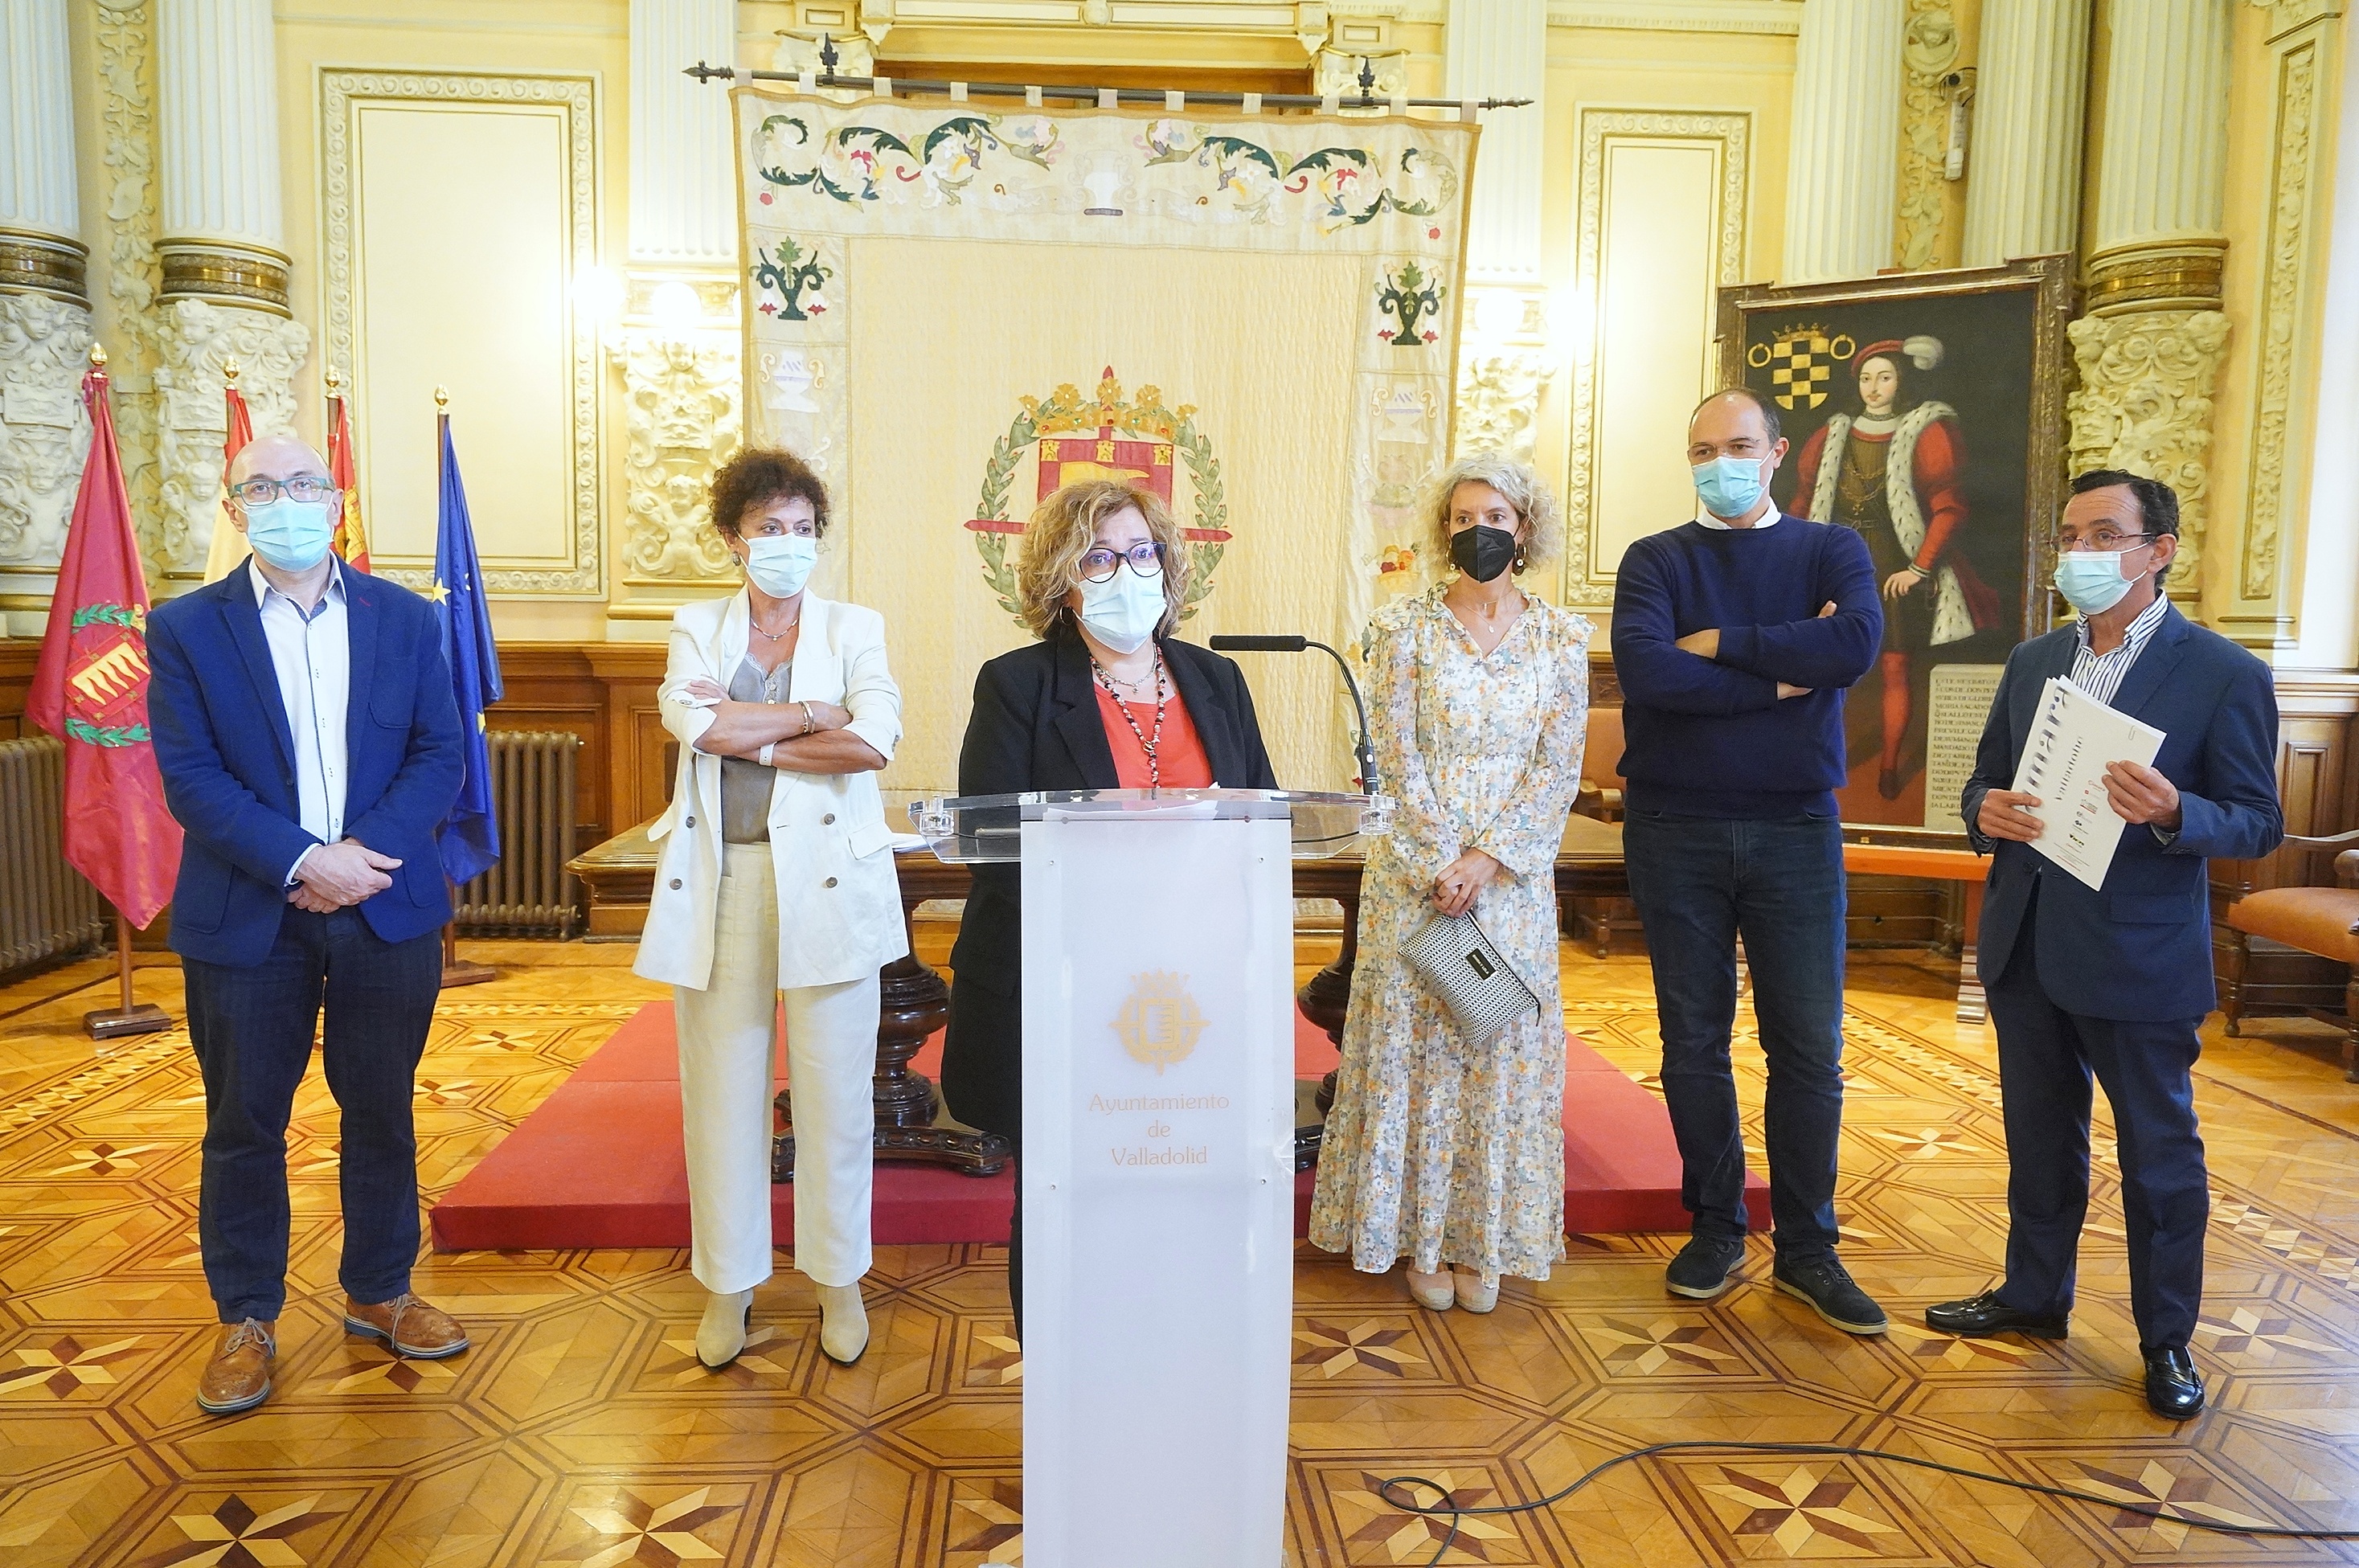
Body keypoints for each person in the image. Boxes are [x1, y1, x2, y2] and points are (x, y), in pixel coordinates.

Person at [1931, 471, 2282, 1420]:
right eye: (2070, 535)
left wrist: (2175, 810)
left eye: (2104, 534)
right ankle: (2032, 1293)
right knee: (2038, 1138)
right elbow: (1983, 782)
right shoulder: (2034, 658)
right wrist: (1984, 811)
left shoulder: (2223, 671)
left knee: (2158, 1157)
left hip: (2137, 955)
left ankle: (2165, 1338)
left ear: (2157, 550)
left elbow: (2257, 821)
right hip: (2026, 941)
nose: (2080, 552)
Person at [147, 433, 465, 1416]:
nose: (286, 500)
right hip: (248, 912)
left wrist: (356, 858)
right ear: (234, 508)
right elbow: (191, 778)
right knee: (244, 1120)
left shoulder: (406, 618)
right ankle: (246, 1315)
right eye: (262, 486)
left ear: (335, 501)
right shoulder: (186, 628)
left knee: (381, 1107)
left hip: (382, 904)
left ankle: (381, 1287)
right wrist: (303, 860)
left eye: (304, 483)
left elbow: (439, 754)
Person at [941, 478, 1278, 1332]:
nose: (1125, 572)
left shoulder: (1217, 680)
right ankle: (1062, 1367)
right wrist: (1117, 907)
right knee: (1066, 1191)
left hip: (1192, 990)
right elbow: (992, 845)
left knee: (1180, 1184)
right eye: (1098, 557)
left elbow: (1263, 820)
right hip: (1065, 988)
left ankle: (1168, 1346)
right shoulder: (1016, 685)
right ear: (1061, 580)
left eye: (1140, 552)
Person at [1612, 388, 1888, 1333]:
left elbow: (1852, 642)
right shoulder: (1655, 558)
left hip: (1794, 828)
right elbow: (1648, 671)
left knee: (1806, 1046)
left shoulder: (1830, 548)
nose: (1719, 463)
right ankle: (1716, 1225)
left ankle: (1809, 1248)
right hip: (1673, 824)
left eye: (1737, 445)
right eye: (1702, 450)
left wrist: (1724, 645)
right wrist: (1780, 680)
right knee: (1692, 1039)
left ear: (1775, 452)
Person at [636, 448, 906, 1370]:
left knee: (836, 1096)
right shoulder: (696, 626)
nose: (788, 543)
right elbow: (698, 725)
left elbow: (873, 742)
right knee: (722, 1093)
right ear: (732, 538)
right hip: (727, 880)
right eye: (768, 528)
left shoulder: (854, 625)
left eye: (802, 528)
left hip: (830, 882)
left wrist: (754, 734)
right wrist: (810, 715)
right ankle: (731, 1283)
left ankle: (838, 1279)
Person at [1308, 454, 1591, 1313]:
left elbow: (1557, 768)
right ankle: (1416, 1237)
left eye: (1497, 517)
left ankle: (1482, 1238)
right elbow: (1390, 761)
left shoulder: (1561, 638)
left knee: (1498, 1051)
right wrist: (1441, 859)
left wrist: (1486, 859)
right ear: (1444, 531)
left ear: (1524, 529)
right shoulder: (1401, 629)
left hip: (1509, 886)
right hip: (1415, 879)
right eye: (1465, 518)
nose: (1480, 532)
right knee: (1418, 1055)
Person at [1792, 338, 1999, 799]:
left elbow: (1949, 508)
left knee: (1895, 666)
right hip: (1838, 560)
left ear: (1900, 381)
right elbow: (1804, 503)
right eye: (1866, 378)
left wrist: (1918, 569)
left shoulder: (1926, 430)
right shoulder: (1833, 434)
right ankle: (1823, 760)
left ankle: (1888, 766)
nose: (1873, 387)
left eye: (1884, 377)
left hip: (1893, 562)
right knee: (1826, 663)